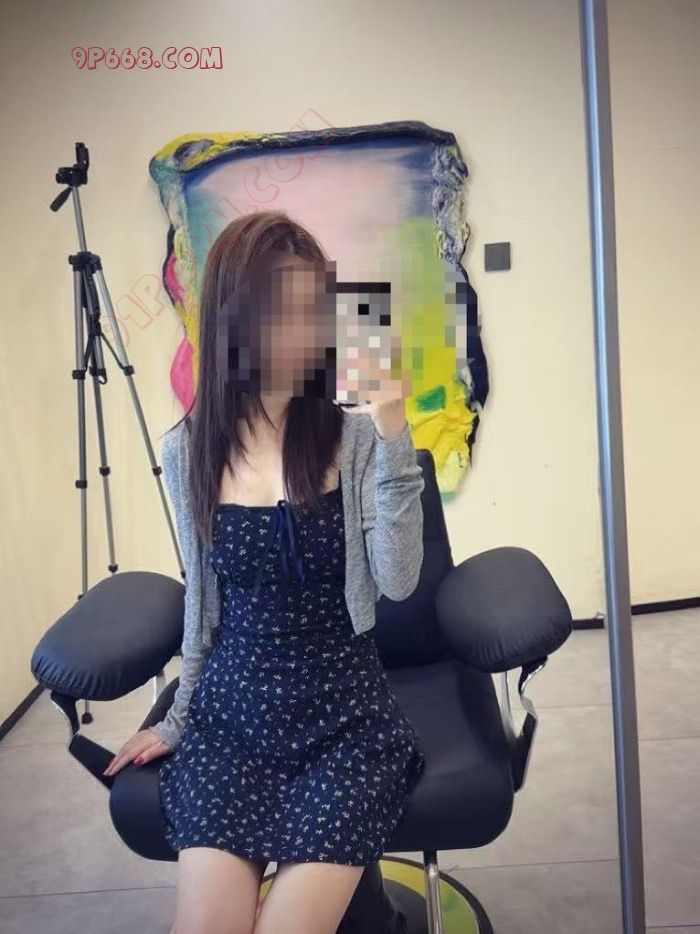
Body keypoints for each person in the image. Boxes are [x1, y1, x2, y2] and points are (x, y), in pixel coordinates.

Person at [103, 210, 426, 934]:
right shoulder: (186, 451)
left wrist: (394, 426)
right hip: (232, 717)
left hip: (344, 717)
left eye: (313, 308)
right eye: (278, 310)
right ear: (231, 319)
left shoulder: (357, 439)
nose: (302, 332)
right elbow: (203, 606)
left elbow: (399, 580)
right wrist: (179, 716)